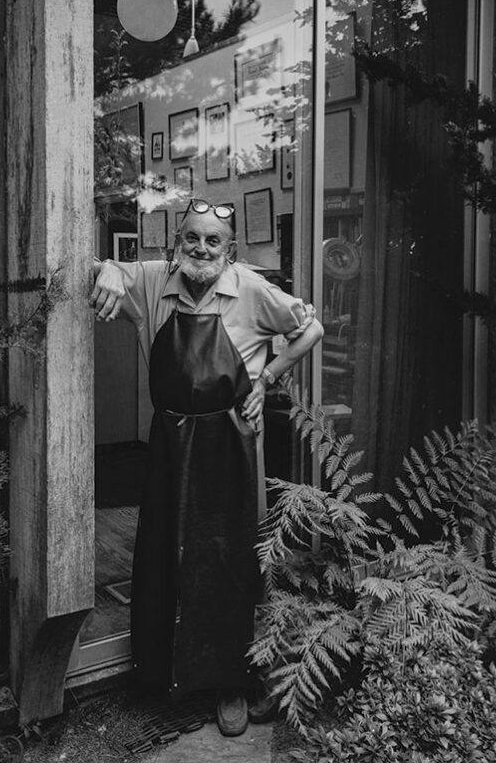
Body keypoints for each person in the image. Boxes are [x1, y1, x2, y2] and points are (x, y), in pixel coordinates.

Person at [90, 198, 323, 736]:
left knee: (229, 559)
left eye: (212, 241)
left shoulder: (251, 288)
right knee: (162, 551)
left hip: (231, 442)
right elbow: (100, 273)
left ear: (230, 249)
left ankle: (231, 684)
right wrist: (102, 268)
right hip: (170, 440)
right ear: (176, 244)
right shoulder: (154, 282)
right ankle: (161, 673)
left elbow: (309, 331)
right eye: (191, 238)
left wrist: (266, 381)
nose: (200, 248)